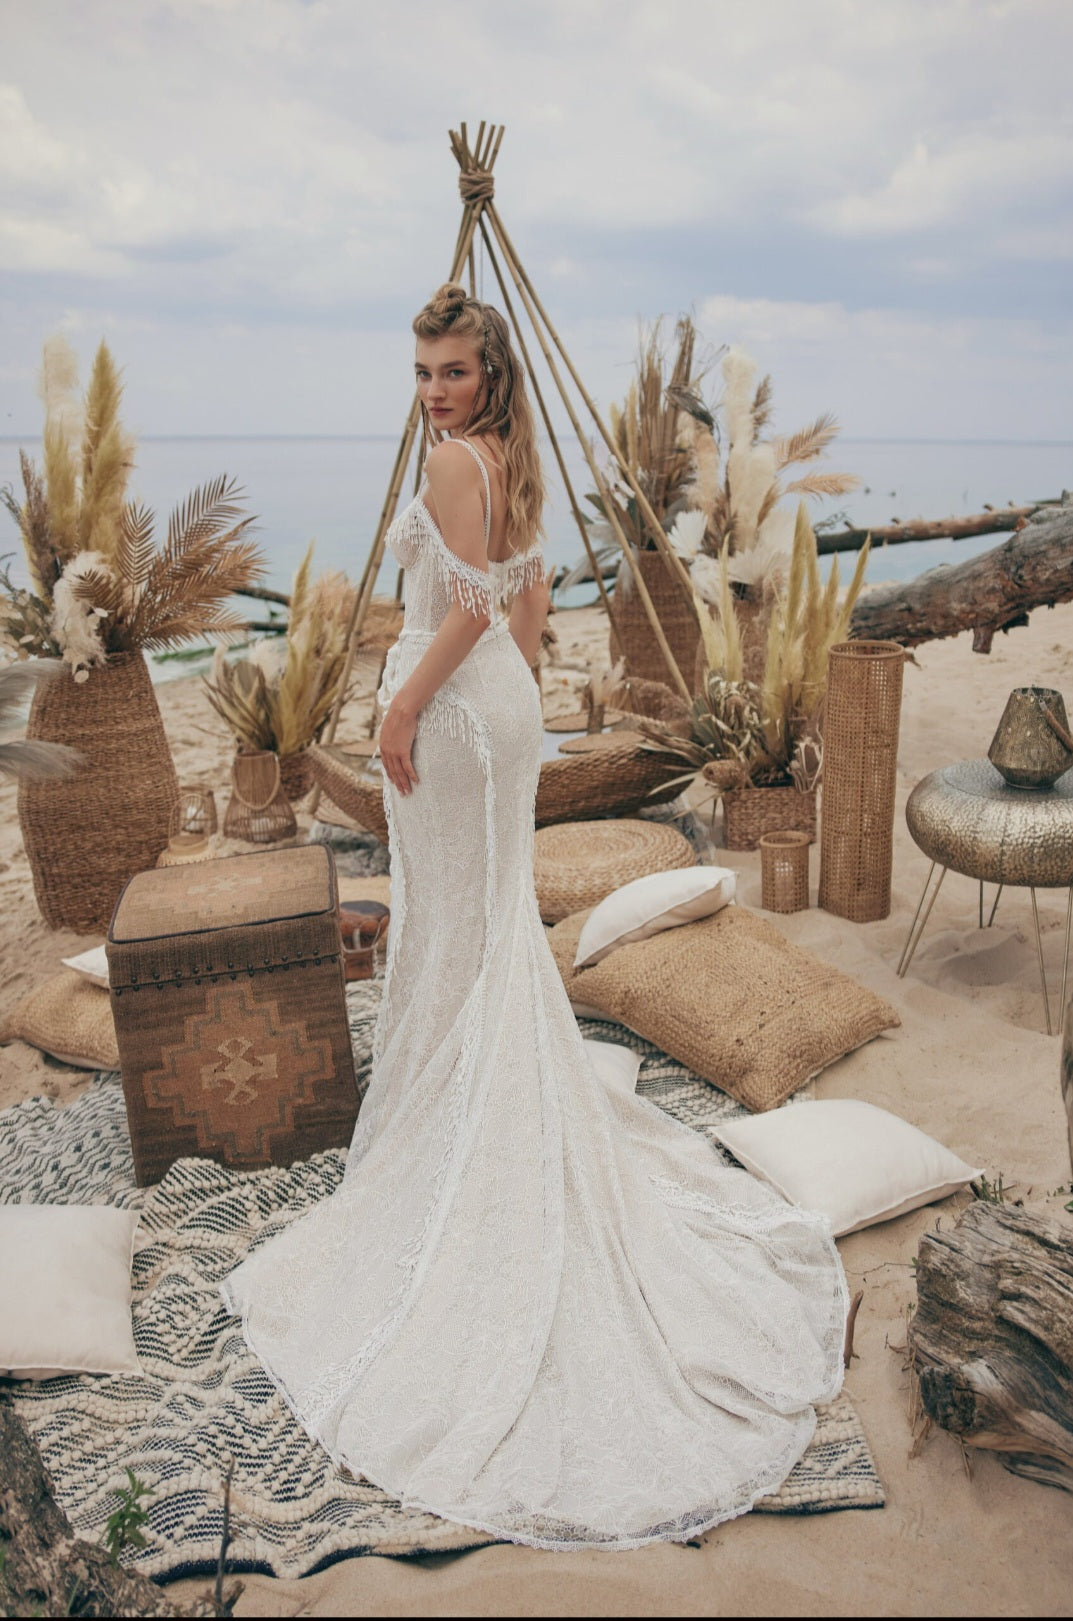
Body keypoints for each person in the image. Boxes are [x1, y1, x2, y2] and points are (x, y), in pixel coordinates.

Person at [221, 283, 848, 1551]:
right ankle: (469, 1109)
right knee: (481, 928)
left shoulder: (457, 461)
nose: (431, 392)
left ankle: (454, 1141)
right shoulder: (510, 459)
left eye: (449, 370)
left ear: (484, 374)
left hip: (451, 715)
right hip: (495, 717)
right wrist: (485, 696)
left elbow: (458, 614)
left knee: (454, 930)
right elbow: (521, 608)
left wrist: (399, 711)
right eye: (418, 372)